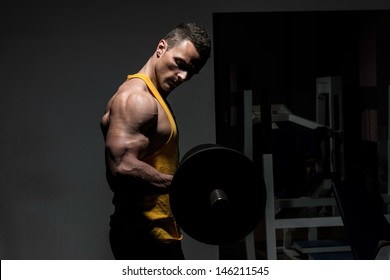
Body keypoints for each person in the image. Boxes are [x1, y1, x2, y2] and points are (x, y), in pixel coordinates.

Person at [100, 23, 211, 260]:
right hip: (142, 238)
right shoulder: (137, 100)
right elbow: (121, 168)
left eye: (191, 72)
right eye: (180, 64)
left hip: (158, 235)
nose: (183, 76)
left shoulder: (155, 97)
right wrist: (183, 184)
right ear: (161, 48)